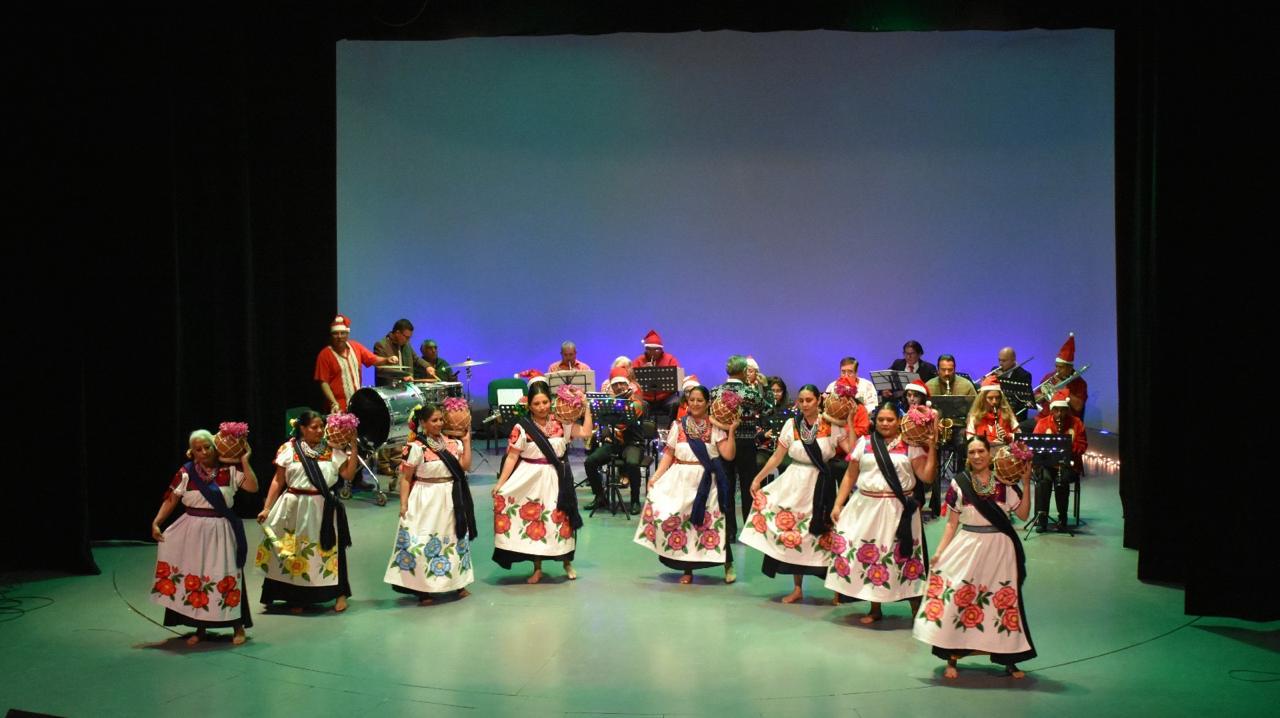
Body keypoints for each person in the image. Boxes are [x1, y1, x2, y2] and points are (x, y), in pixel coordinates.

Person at [913, 436, 1036, 680]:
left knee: (1002, 602)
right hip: (968, 545)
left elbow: (1022, 515)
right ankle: (952, 657)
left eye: (981, 451)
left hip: (1000, 550)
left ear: (990, 454)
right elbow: (951, 524)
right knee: (960, 598)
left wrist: (1025, 480)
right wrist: (939, 552)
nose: (977, 456)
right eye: (972, 452)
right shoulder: (959, 484)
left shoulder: (1004, 483)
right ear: (967, 457)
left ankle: (1009, 660)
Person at [827, 401, 937, 621]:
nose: (885, 423)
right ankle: (875, 608)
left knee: (903, 557)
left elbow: (926, 477)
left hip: (899, 510)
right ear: (875, 421)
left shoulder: (910, 445)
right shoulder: (864, 443)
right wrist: (838, 504)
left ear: (899, 421)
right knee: (872, 555)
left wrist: (933, 447)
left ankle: (915, 608)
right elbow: (850, 475)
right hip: (866, 506)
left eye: (890, 419)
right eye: (881, 420)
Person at [741, 384, 850, 603]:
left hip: (822, 484)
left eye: (809, 399)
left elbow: (853, 452)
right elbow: (777, 457)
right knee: (794, 533)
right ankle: (797, 587)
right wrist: (758, 478)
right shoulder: (792, 425)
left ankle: (837, 590)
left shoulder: (831, 425)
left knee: (826, 533)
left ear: (819, 400)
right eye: (801, 400)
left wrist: (850, 426)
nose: (805, 404)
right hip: (795, 483)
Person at [150, 430, 258, 645]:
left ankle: (238, 627)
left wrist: (244, 461)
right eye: (198, 449)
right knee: (197, 575)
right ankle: (200, 628)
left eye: (207, 447)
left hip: (222, 529)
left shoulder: (229, 470)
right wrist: (157, 522)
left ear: (215, 447)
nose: (204, 452)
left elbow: (253, 488)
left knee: (227, 573)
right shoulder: (186, 472)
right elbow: (172, 499)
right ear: (192, 452)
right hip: (193, 531)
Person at [256, 410, 359, 613]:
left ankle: (339, 594)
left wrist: (353, 446)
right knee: (291, 551)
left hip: (322, 508)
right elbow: (278, 480)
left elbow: (348, 474)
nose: (319, 431)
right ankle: (295, 596)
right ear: (302, 428)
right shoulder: (288, 449)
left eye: (322, 426)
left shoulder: (332, 449)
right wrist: (267, 507)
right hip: (293, 507)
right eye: (314, 427)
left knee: (328, 550)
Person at [634, 385, 739, 584]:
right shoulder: (679, 426)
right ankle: (687, 570)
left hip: (707, 484)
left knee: (711, 525)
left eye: (700, 400)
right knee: (683, 524)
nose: (695, 404)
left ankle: (728, 564)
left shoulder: (714, 427)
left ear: (708, 403)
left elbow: (728, 454)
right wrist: (655, 476)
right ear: (686, 403)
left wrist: (731, 432)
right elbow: (669, 453)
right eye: (692, 400)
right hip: (681, 480)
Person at [491, 379, 593, 583]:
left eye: (545, 402)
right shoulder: (522, 427)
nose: (541, 407)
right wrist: (501, 483)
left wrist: (587, 407)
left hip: (557, 478)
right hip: (530, 479)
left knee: (559, 520)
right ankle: (537, 568)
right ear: (529, 405)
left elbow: (586, 433)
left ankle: (566, 563)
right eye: (536, 404)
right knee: (535, 521)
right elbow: (512, 456)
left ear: (551, 401)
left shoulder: (562, 422)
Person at [385, 404, 477, 604]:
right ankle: (423, 589)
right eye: (434, 420)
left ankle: (457, 584)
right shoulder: (416, 447)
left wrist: (467, 442)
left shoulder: (452, 444)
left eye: (440, 419)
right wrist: (403, 504)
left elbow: (465, 467)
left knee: (453, 538)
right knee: (424, 540)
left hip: (451, 498)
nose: (438, 423)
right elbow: (406, 478)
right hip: (425, 499)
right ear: (423, 423)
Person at [712, 355, 770, 523]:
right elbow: (769, 410)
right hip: (746, 443)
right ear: (744, 371)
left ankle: (729, 530)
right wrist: (764, 387)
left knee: (727, 485)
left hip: (723, 442)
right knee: (747, 485)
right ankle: (747, 525)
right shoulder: (750, 393)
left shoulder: (715, 391)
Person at [584, 368, 646, 512]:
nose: (618, 387)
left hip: (633, 443)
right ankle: (600, 497)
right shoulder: (608, 402)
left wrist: (613, 407)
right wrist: (606, 433)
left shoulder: (636, 403)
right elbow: (601, 422)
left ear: (627, 385)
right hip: (614, 443)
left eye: (621, 384)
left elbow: (623, 423)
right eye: (615, 385)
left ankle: (635, 500)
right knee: (590, 462)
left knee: (632, 463)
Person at [1032, 390, 1088, 532]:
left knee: (1062, 481)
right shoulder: (1043, 423)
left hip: (1068, 465)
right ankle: (1041, 518)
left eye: (1062, 411)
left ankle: (1062, 518)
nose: (1059, 415)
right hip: (1047, 465)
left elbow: (1083, 446)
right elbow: (1035, 446)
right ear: (1051, 411)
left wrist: (1068, 446)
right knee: (1043, 480)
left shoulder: (1077, 423)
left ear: (1067, 410)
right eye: (1056, 411)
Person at [315, 314, 397, 412]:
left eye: (343, 333)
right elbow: (324, 383)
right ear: (331, 335)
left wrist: (387, 360)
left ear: (347, 334)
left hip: (356, 404)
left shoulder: (356, 347)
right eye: (336, 333)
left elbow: (373, 359)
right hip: (338, 407)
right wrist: (333, 402)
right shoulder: (324, 354)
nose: (339, 336)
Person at [1035, 333, 1087, 418]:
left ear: (1070, 368)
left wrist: (1064, 389)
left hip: (1066, 420)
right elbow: (1036, 399)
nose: (1057, 370)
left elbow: (1078, 407)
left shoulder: (1080, 383)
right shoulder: (1049, 377)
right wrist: (1045, 394)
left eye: (1061, 367)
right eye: (1056, 366)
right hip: (1045, 418)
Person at [633, 329, 681, 418]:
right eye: (649, 350)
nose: (653, 353)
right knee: (640, 405)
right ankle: (645, 429)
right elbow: (631, 381)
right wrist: (643, 371)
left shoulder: (671, 359)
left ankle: (670, 428)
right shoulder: (638, 361)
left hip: (666, 397)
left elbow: (678, 379)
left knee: (676, 403)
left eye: (656, 350)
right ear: (646, 349)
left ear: (661, 349)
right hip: (645, 398)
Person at [985, 347, 1035, 424]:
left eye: (1004, 360)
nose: (1000, 363)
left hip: (1015, 413)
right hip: (997, 408)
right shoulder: (995, 370)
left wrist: (1004, 380)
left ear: (1013, 360)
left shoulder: (1024, 375)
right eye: (999, 360)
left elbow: (1022, 399)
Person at [373, 318, 429, 386]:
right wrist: (402, 375)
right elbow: (381, 370)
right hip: (388, 390)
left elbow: (416, 358)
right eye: (406, 337)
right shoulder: (381, 345)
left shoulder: (406, 345)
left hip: (406, 389)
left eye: (409, 338)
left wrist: (427, 366)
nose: (408, 340)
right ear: (397, 333)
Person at [966, 376, 1019, 446]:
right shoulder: (975, 416)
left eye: (997, 398)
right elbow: (970, 438)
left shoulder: (1007, 414)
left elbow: (1019, 437)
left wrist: (1007, 436)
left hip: (1004, 451)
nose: (994, 402)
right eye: (990, 398)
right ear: (983, 399)